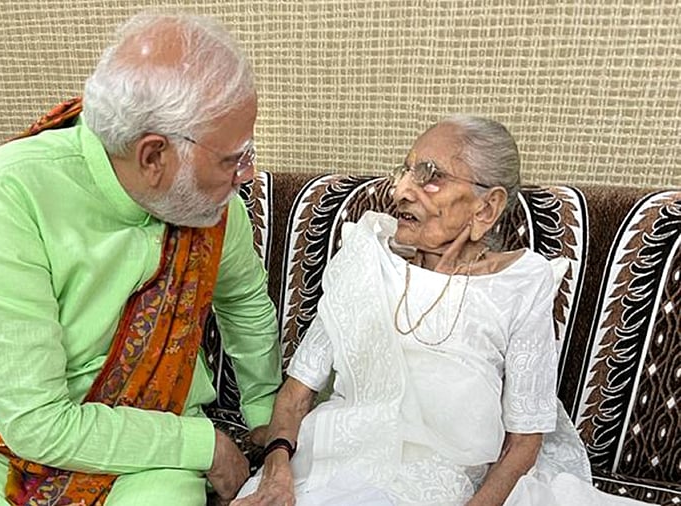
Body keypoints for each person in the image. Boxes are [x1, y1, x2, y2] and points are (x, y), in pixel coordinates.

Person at [0, 13, 281, 506]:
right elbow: (34, 423)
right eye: (233, 158)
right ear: (153, 156)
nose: (246, 174)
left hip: (152, 433)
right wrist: (206, 446)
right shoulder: (14, 190)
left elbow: (244, 304)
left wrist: (266, 418)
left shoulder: (213, 209)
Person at [233, 116, 650, 506]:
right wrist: (276, 470)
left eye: (430, 177)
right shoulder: (366, 258)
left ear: (486, 209)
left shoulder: (521, 284)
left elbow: (524, 440)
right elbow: (296, 393)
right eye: (406, 171)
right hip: (334, 461)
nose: (400, 191)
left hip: (443, 484)